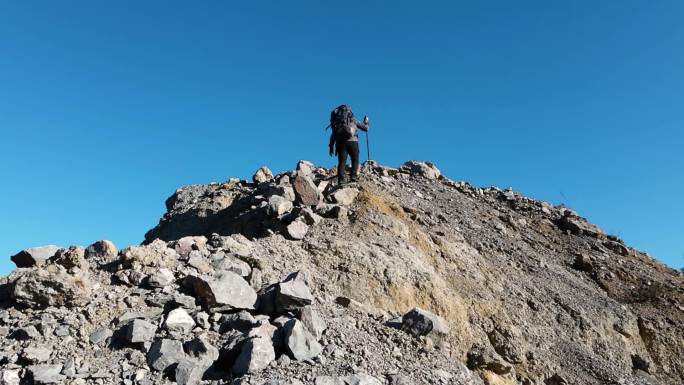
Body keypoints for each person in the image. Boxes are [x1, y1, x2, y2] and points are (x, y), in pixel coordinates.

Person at [328, 105, 369, 184]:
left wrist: (331, 146)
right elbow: (365, 128)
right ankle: (353, 177)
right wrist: (366, 122)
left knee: (342, 162)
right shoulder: (353, 120)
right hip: (352, 141)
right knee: (355, 159)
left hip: (340, 143)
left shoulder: (337, 122)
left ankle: (341, 180)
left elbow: (333, 135)